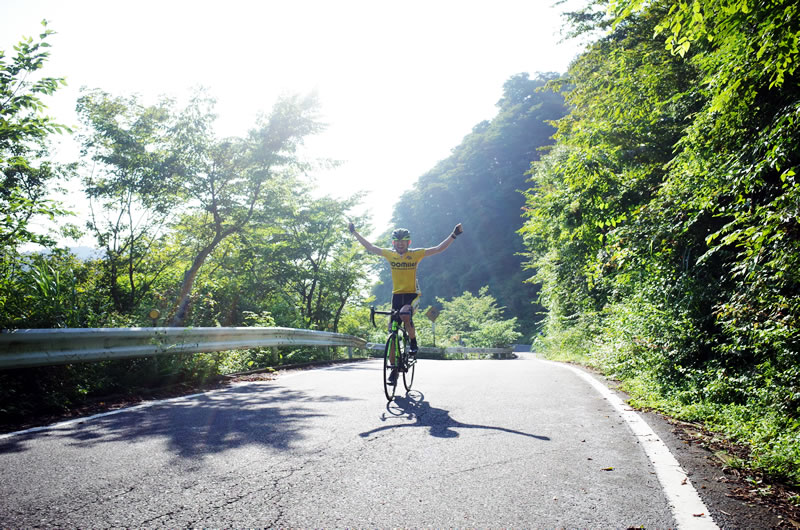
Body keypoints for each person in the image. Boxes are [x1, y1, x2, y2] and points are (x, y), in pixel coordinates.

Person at [348, 222, 463, 384]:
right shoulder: (390, 254)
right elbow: (371, 247)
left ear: (408, 243)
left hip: (412, 295)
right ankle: (394, 369)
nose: (400, 245)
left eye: (403, 242)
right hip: (396, 296)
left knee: (404, 313)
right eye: (397, 242)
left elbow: (437, 249)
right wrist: (355, 233)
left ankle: (414, 342)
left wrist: (454, 235)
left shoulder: (415, 254)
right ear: (393, 243)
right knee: (391, 333)